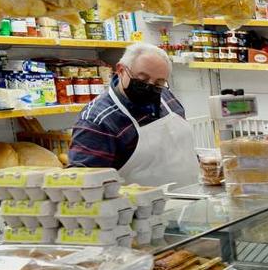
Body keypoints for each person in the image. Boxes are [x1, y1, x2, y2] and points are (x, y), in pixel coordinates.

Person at [68, 43, 198, 187]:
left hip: (191, 199)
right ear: (121, 70)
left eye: (159, 82)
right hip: (143, 208)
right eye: (142, 80)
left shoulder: (166, 96)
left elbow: (182, 149)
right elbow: (83, 185)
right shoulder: (97, 121)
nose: (150, 86)